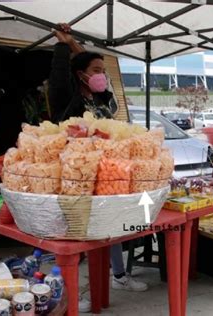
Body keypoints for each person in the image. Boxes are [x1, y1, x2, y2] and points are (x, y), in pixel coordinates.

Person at [49, 24, 148, 312]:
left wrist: (76, 43)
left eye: (103, 70)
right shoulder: (69, 98)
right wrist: (62, 45)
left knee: (110, 227)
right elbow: (60, 78)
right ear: (81, 75)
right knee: (77, 234)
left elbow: (96, 74)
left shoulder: (103, 101)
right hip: (76, 178)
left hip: (107, 177)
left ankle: (117, 276)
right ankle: (71, 289)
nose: (102, 75)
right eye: (96, 71)